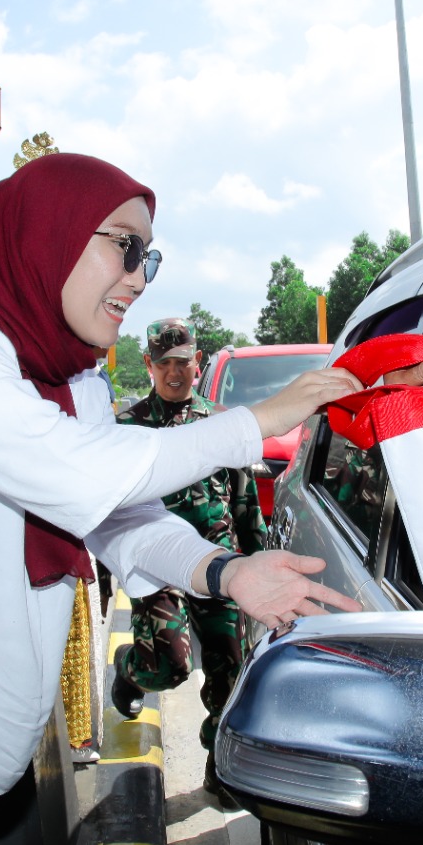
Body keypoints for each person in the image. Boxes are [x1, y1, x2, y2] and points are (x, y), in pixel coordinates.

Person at [0, 152, 423, 845]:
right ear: (46, 236)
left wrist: (226, 572)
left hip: (4, 740)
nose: (138, 277)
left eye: (148, 256)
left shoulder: (72, 382)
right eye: (123, 245)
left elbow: (122, 517)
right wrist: (261, 419)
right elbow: (76, 476)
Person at [111, 316, 264, 807]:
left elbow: (245, 502)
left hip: (218, 563)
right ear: (149, 365)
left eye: (184, 362)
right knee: (169, 667)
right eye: (165, 364)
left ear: (198, 363)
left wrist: (256, 561)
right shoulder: (127, 430)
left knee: (230, 673)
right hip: (158, 567)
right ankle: (129, 667)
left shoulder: (220, 422)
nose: (175, 373)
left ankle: (218, 766)